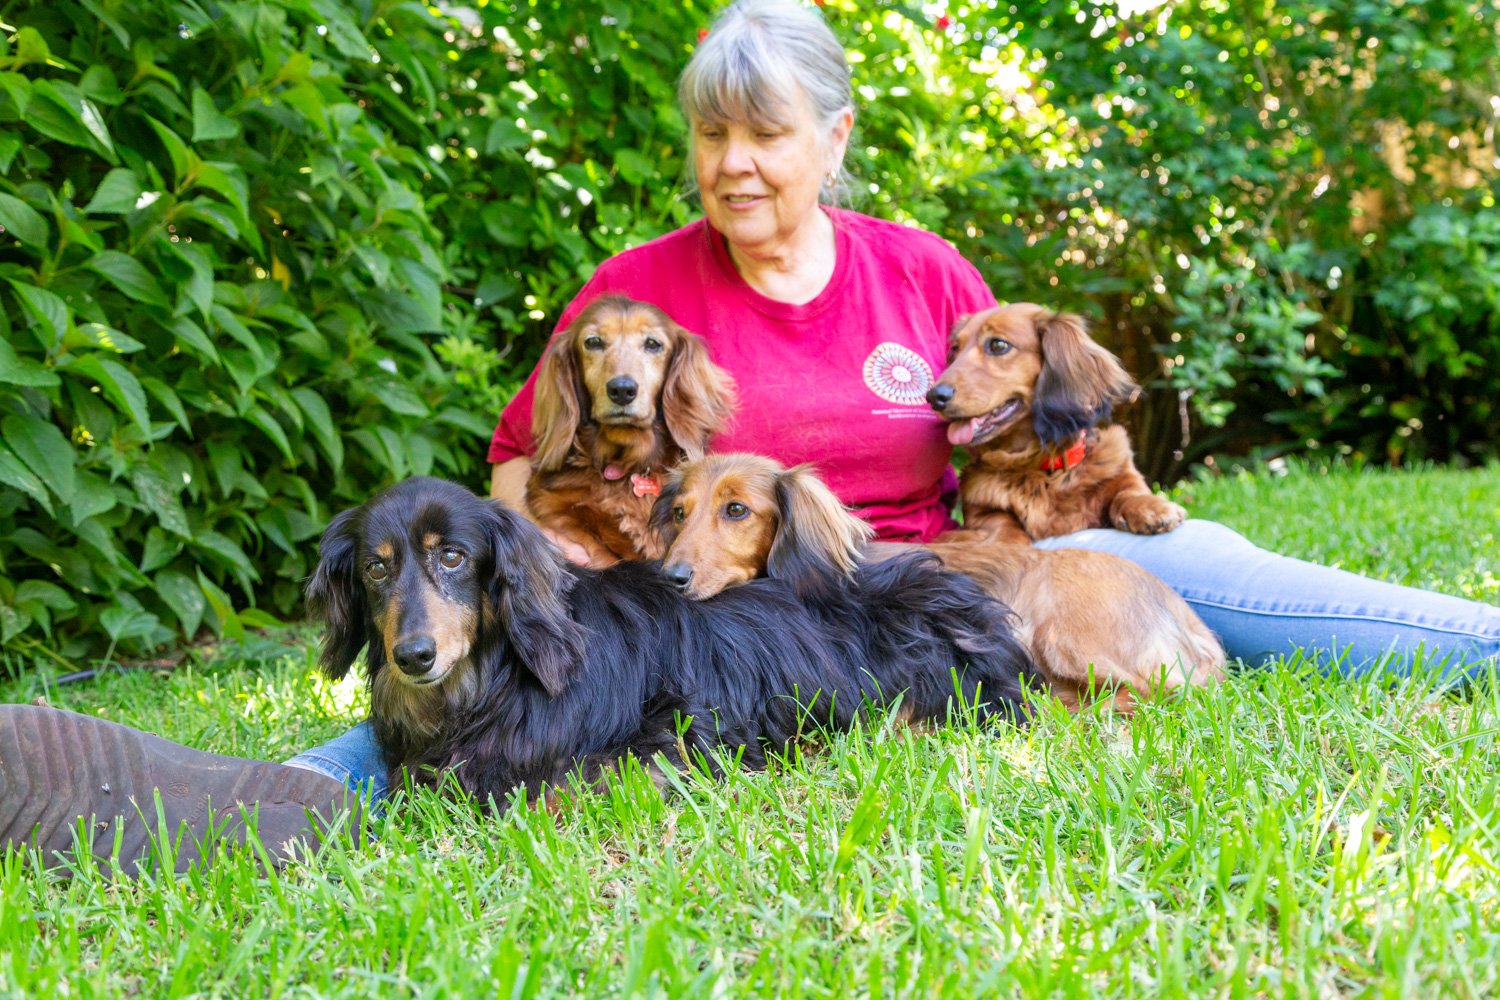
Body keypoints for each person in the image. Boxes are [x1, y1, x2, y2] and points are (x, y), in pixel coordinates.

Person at [3, 0, 1496, 873]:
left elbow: (1023, 428)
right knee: (490, 690)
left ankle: (1475, 638)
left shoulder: (920, 270)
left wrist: (1103, 504)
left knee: (1270, 587)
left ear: (831, 139)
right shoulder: (631, 297)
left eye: (764, 134)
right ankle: (255, 798)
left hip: (962, 571)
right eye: (711, 137)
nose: (733, 165)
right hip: (727, 616)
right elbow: (512, 489)